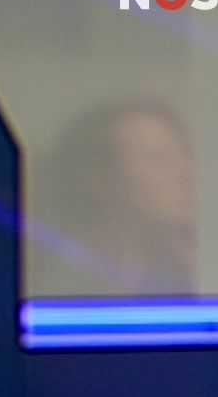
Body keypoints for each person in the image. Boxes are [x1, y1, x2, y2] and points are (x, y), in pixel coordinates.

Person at [29, 98, 198, 297]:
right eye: (159, 160)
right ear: (102, 181)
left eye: (184, 155)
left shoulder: (181, 266)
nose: (186, 173)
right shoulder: (60, 282)